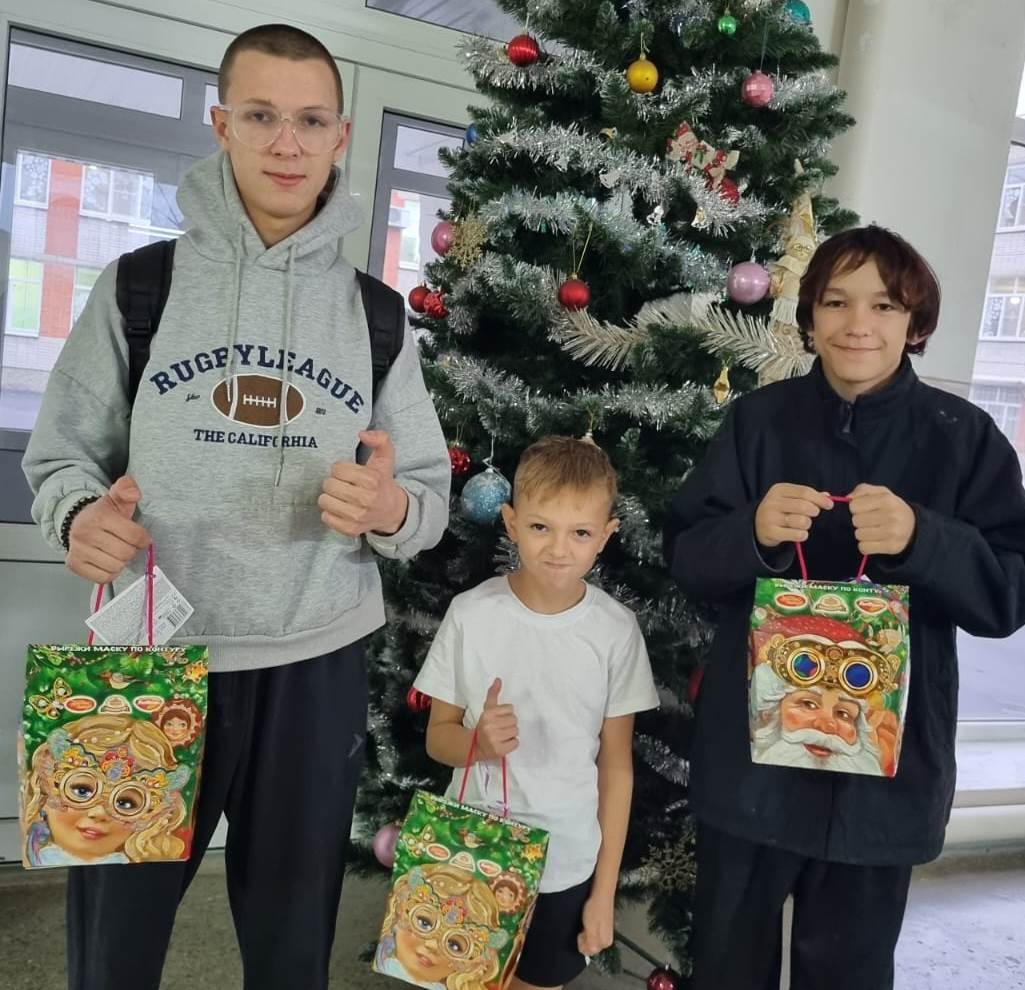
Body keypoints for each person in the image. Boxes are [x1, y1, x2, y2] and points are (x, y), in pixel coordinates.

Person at [21, 22, 449, 990]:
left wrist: (388, 507)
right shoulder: (141, 287)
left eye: (310, 121)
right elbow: (62, 457)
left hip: (315, 657)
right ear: (221, 125)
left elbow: (424, 500)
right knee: (114, 945)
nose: (286, 144)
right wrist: (79, 516)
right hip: (149, 653)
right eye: (260, 117)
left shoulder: (377, 316)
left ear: (340, 136)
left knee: (291, 948)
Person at [663, 224, 1025, 990]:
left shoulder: (964, 438)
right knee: (726, 966)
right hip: (752, 766)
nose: (858, 323)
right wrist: (751, 532)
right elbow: (686, 558)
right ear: (809, 316)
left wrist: (924, 539)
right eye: (835, 301)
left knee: (850, 973)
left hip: (881, 782)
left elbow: (1006, 596)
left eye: (883, 305)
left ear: (914, 322)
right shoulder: (756, 422)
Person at [415, 437, 659, 990]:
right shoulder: (471, 615)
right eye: (540, 527)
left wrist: (603, 893)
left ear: (606, 535)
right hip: (471, 853)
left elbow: (616, 768)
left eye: (580, 533)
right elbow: (438, 739)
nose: (558, 549)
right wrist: (477, 744)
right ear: (511, 522)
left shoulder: (615, 631)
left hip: (565, 862)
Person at [21, 715, 188, 868]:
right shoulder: (33, 852)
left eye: (125, 803)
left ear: (151, 814)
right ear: (46, 785)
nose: (99, 813)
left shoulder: (150, 870)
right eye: (82, 791)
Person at [374, 863, 503, 990]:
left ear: (471, 961)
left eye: (454, 945)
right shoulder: (381, 955)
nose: (433, 945)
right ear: (401, 910)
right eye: (424, 923)